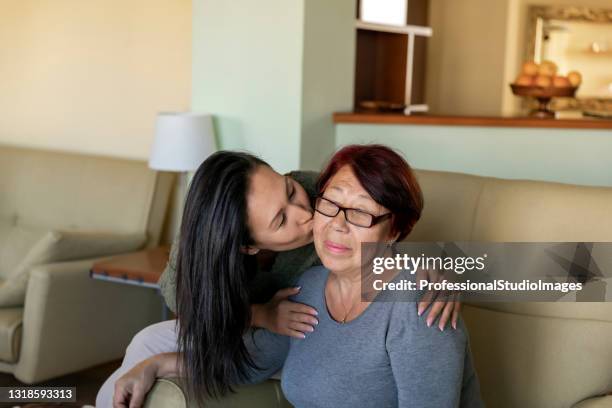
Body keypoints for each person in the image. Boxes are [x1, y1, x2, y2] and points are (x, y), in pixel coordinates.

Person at [96, 149, 462, 408]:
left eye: (290, 191)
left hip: (335, 323)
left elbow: (387, 221)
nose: (311, 215)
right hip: (275, 327)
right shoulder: (308, 287)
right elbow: (245, 355)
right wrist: (261, 316)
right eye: (280, 221)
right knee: (147, 344)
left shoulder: (327, 195)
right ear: (247, 247)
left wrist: (428, 265)